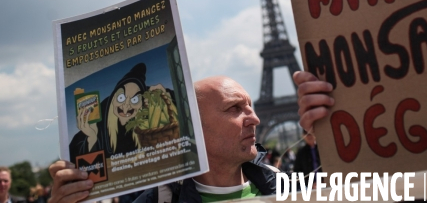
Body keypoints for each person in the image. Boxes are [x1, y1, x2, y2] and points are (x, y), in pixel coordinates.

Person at [48, 76, 282, 203]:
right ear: (191, 125)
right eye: (234, 108)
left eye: (250, 106)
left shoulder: (286, 185)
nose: (255, 119)